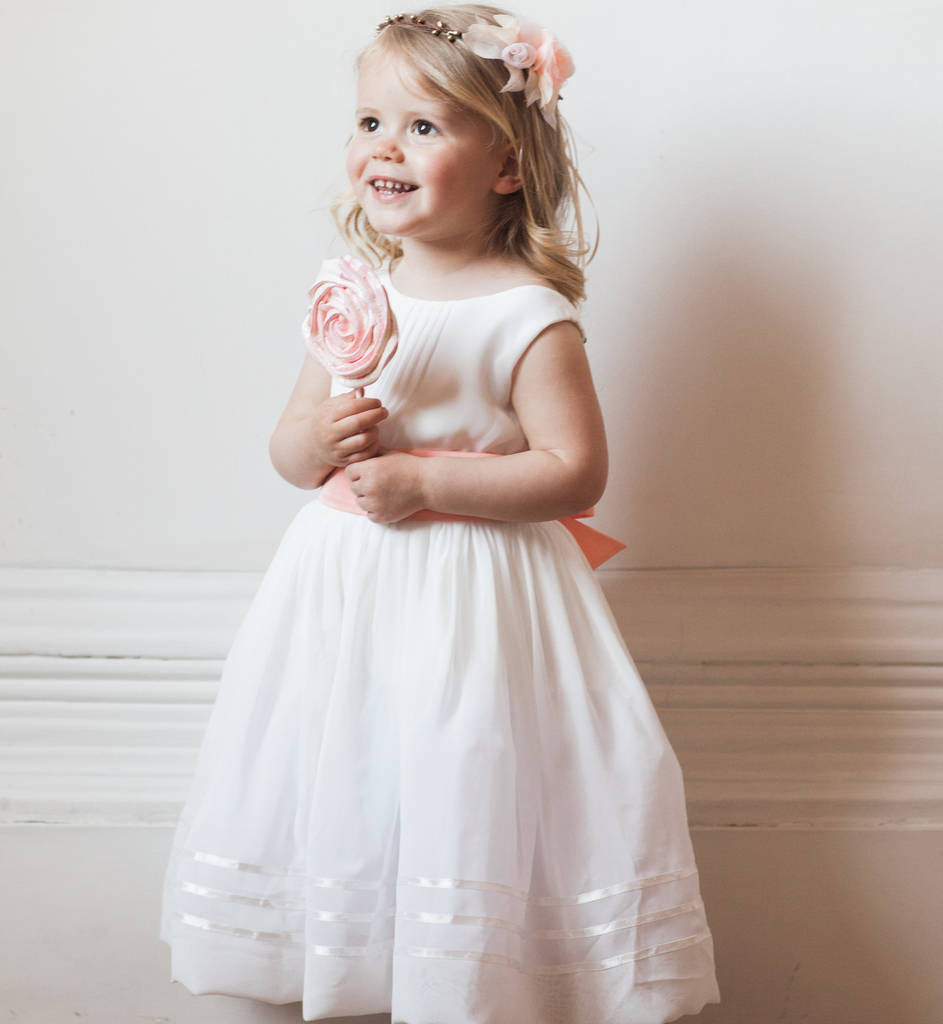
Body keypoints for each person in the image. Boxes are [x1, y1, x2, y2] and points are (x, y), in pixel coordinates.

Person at [160, 5, 720, 1023]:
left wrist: (429, 484)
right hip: (345, 594)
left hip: (476, 600)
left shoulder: (525, 313)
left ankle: (466, 976)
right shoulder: (350, 298)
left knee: (463, 763)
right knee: (354, 762)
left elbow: (573, 471)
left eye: (424, 128)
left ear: (506, 165)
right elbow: (289, 450)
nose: (386, 147)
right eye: (370, 122)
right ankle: (353, 957)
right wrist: (322, 436)